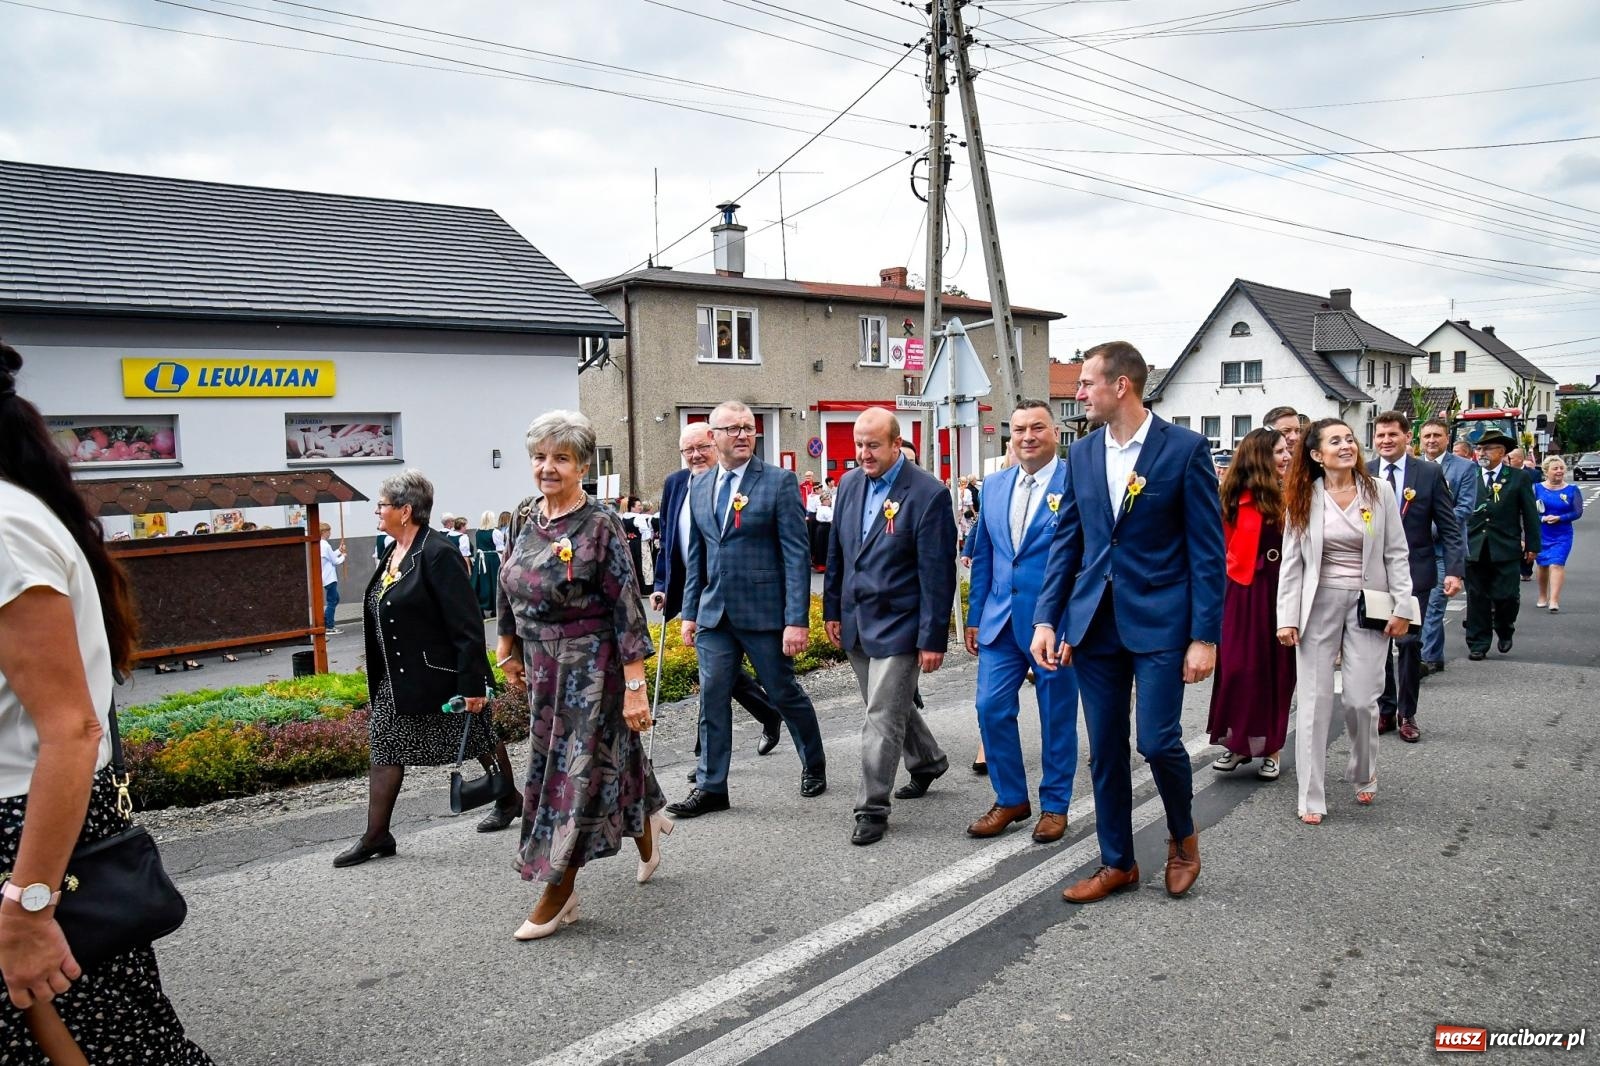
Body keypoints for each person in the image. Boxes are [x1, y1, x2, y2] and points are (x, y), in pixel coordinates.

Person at [0, 340, 214, 1063]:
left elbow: (70, 728)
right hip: (38, 827)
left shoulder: (4, 527)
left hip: (28, 834)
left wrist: (29, 904)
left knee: (107, 1041)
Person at [1030, 341, 1225, 902]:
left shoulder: (1183, 449)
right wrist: (1047, 619)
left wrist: (1204, 636)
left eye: (1086, 383)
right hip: (1095, 624)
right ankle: (1117, 862)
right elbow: (1068, 542)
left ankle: (1182, 838)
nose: (1078, 393)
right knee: (1106, 749)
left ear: (1121, 386)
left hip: (1161, 621)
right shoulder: (1082, 454)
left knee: (1158, 742)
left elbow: (1207, 552)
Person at [495, 411, 667, 940]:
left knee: (572, 774)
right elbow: (508, 580)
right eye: (540, 457)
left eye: (561, 458)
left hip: (591, 668)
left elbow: (627, 608)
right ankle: (647, 821)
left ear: (583, 466)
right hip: (542, 665)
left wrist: (635, 689)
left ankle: (559, 888)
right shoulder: (526, 515)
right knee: (596, 757)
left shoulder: (600, 524)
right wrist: (507, 646)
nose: (548, 467)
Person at [336, 471, 519, 867]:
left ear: (405, 511)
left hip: (440, 675)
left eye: (382, 505)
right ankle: (378, 834)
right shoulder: (395, 549)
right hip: (399, 675)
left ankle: (509, 799)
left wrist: (472, 684)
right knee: (385, 742)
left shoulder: (437, 552)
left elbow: (467, 624)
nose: (377, 511)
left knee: (478, 736)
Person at [671, 400, 828, 817]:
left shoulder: (778, 482)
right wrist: (690, 612)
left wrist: (796, 620)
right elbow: (698, 556)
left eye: (748, 427)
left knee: (782, 691)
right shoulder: (699, 485)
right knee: (713, 696)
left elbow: (796, 555)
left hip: (764, 613)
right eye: (733, 428)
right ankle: (711, 786)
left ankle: (813, 763)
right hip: (715, 614)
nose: (743, 434)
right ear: (713, 437)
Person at [824, 409, 955, 846]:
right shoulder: (849, 484)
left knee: (880, 715)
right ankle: (928, 760)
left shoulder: (928, 494)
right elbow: (839, 553)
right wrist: (832, 610)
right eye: (859, 445)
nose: (863, 453)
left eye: (873, 445)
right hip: (856, 620)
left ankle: (871, 808)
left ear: (897, 444)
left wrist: (933, 638)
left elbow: (937, 574)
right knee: (890, 705)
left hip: (901, 623)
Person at [1277, 419, 1415, 825]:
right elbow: (1292, 562)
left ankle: (1363, 769)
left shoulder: (1379, 491)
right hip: (1317, 603)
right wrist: (1286, 617)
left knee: (1361, 700)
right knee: (1314, 701)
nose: (1346, 446)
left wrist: (1403, 607)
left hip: (1370, 603)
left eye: (1349, 439)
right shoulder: (1304, 496)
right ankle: (1311, 794)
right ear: (1317, 455)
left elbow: (1396, 552)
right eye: (1335, 441)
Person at [964, 400, 1079, 841]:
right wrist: (975, 616)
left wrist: (1075, 622)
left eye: (1037, 428)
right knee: (990, 708)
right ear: (1010, 436)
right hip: (999, 620)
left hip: (1054, 623)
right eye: (1019, 430)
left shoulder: (1075, 482)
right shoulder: (994, 486)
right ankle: (1010, 797)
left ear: (1055, 433)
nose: (1027, 437)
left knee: (1056, 715)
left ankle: (1055, 804)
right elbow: (985, 555)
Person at [652, 424, 783, 775]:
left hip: (730, 591)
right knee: (717, 673)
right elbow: (667, 538)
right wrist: (661, 583)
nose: (695, 455)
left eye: (702, 447)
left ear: (716, 444)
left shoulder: (732, 484)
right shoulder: (676, 483)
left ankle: (706, 760)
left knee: (713, 676)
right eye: (688, 450)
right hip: (693, 590)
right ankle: (768, 713)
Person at [1369, 412, 1465, 743]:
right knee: (1379, 642)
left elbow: (1449, 526)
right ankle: (1385, 708)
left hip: (1415, 571)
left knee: (1409, 642)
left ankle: (1407, 712)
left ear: (1407, 437)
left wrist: (1454, 570)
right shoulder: (1364, 472)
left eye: (1392, 435)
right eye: (1380, 435)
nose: (1386, 441)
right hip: (1375, 574)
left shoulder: (1428, 473)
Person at [1207, 427, 1295, 780]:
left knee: (1275, 671)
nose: (1286, 456)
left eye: (1287, 450)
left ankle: (1271, 748)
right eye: (1279, 451)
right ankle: (1238, 743)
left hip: (1280, 589)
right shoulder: (1231, 495)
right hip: (1241, 590)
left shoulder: (1293, 493)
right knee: (1237, 669)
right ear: (1260, 456)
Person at [1464, 430, 1540, 660]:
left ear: (1501, 452)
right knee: (1476, 597)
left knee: (1507, 596)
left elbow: (1529, 512)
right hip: (1474, 546)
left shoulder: (1518, 477)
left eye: (1487, 449)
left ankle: (1505, 627)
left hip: (1505, 547)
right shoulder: (1469, 475)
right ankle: (1478, 642)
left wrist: (1533, 545)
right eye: (1479, 449)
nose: (1482, 453)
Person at [1417, 418, 1478, 675]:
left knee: (1434, 605)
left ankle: (1425, 658)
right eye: (1427, 436)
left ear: (1447, 438)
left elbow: (1465, 508)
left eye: (1437, 435)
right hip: (1417, 550)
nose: (1432, 440)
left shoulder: (1465, 468)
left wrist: (1431, 527)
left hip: (1445, 549)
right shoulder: (1413, 466)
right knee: (1420, 605)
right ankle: (1434, 654)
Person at [1534, 455, 1583, 612]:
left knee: (1557, 563)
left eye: (1562, 468)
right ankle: (1542, 596)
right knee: (1542, 565)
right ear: (1546, 471)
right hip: (1541, 532)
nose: (1559, 471)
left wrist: (1560, 518)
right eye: (1555, 468)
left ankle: (1554, 600)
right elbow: (1528, 510)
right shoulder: (1536, 488)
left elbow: (1577, 512)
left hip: (1562, 534)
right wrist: (1542, 518)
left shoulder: (1572, 490)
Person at [472, 511, 501, 618]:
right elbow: (500, 548)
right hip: (492, 560)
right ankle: (495, 609)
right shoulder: (495, 532)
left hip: (480, 560)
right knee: (494, 583)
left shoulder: (478, 532)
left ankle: (480, 610)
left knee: (481, 584)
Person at [319, 521, 346, 635]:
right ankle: (328, 625)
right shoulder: (325, 545)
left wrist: (339, 551)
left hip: (326, 576)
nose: (330, 533)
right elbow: (335, 561)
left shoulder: (321, 544)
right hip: (330, 577)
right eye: (328, 531)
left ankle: (326, 621)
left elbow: (330, 557)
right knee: (332, 600)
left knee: (335, 599)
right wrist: (343, 556)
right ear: (323, 532)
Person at [812, 490, 834, 572]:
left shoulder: (820, 508)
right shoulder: (826, 509)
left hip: (820, 528)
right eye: (827, 499)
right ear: (823, 500)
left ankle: (819, 564)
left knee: (820, 546)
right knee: (825, 546)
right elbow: (831, 520)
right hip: (826, 528)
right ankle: (823, 565)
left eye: (829, 499)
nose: (829, 501)